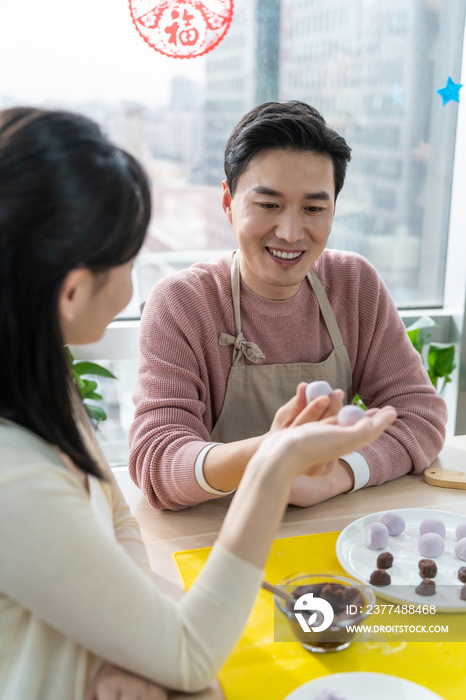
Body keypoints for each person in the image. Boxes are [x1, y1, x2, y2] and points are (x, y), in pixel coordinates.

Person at [0, 107, 396, 700]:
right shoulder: (14, 476)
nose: (291, 231)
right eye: (128, 261)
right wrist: (272, 463)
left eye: (314, 207)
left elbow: (114, 515)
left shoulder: (37, 374)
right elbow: (190, 655)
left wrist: (131, 634)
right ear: (73, 290)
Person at [129, 101, 447, 511]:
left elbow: (419, 412)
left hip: (328, 528)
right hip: (215, 534)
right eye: (268, 205)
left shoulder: (354, 284)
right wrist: (276, 455)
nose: (291, 232)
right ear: (228, 203)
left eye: (314, 208)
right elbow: (157, 459)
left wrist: (338, 476)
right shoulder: (183, 303)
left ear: (334, 209)